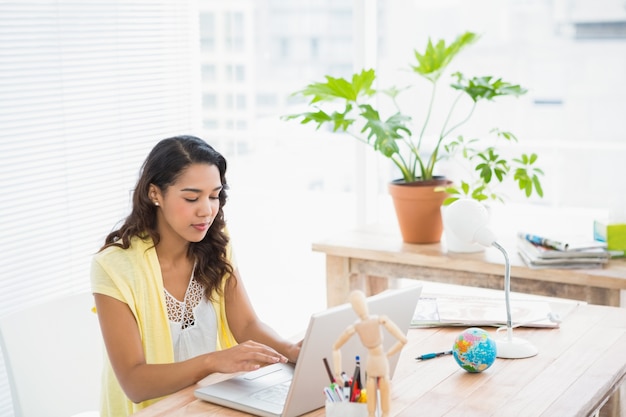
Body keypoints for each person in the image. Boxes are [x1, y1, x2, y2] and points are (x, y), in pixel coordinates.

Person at [91, 135, 301, 416]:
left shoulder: (217, 244)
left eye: (214, 196)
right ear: (155, 194)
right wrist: (213, 361)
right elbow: (134, 382)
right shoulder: (115, 266)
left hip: (207, 404)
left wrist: (292, 351)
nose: (207, 211)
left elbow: (247, 324)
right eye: (192, 198)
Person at [332, 290, 407, 417]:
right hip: (377, 360)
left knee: (375, 403)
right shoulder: (375, 321)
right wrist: (389, 354)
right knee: (378, 403)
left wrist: (338, 373)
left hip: (375, 361)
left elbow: (335, 348)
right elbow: (403, 340)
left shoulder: (360, 325)